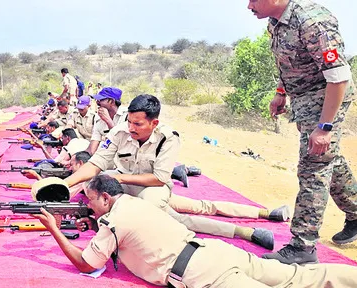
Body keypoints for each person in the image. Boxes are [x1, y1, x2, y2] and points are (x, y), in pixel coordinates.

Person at [31, 175, 357, 288]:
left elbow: (85, 263)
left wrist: (53, 231)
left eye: (91, 201)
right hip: (217, 253)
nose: (89, 206)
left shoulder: (111, 222)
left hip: (203, 274)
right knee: (305, 278)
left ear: (105, 198)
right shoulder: (133, 205)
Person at [248, 0, 357, 265]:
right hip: (305, 98)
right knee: (327, 158)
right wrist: (280, 92)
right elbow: (290, 62)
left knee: (313, 167)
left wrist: (324, 127)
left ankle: (303, 246)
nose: (248, 6)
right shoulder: (275, 21)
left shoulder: (312, 21)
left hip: (327, 97)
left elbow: (338, 76)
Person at [66, 94, 286, 249]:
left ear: (154, 123)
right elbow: (96, 163)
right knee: (197, 209)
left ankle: (254, 226)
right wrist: (64, 185)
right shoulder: (119, 132)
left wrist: (117, 177)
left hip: (153, 190)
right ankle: (261, 221)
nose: (131, 128)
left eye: (138, 124)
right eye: (129, 122)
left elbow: (160, 178)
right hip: (124, 189)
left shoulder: (168, 138)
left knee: (191, 215)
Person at [88, 87, 129, 154]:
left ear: (111, 101)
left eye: (100, 100)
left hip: (124, 155)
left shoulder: (127, 116)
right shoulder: (98, 117)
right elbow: (93, 145)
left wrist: (108, 120)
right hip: (107, 153)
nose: (97, 102)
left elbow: (122, 143)